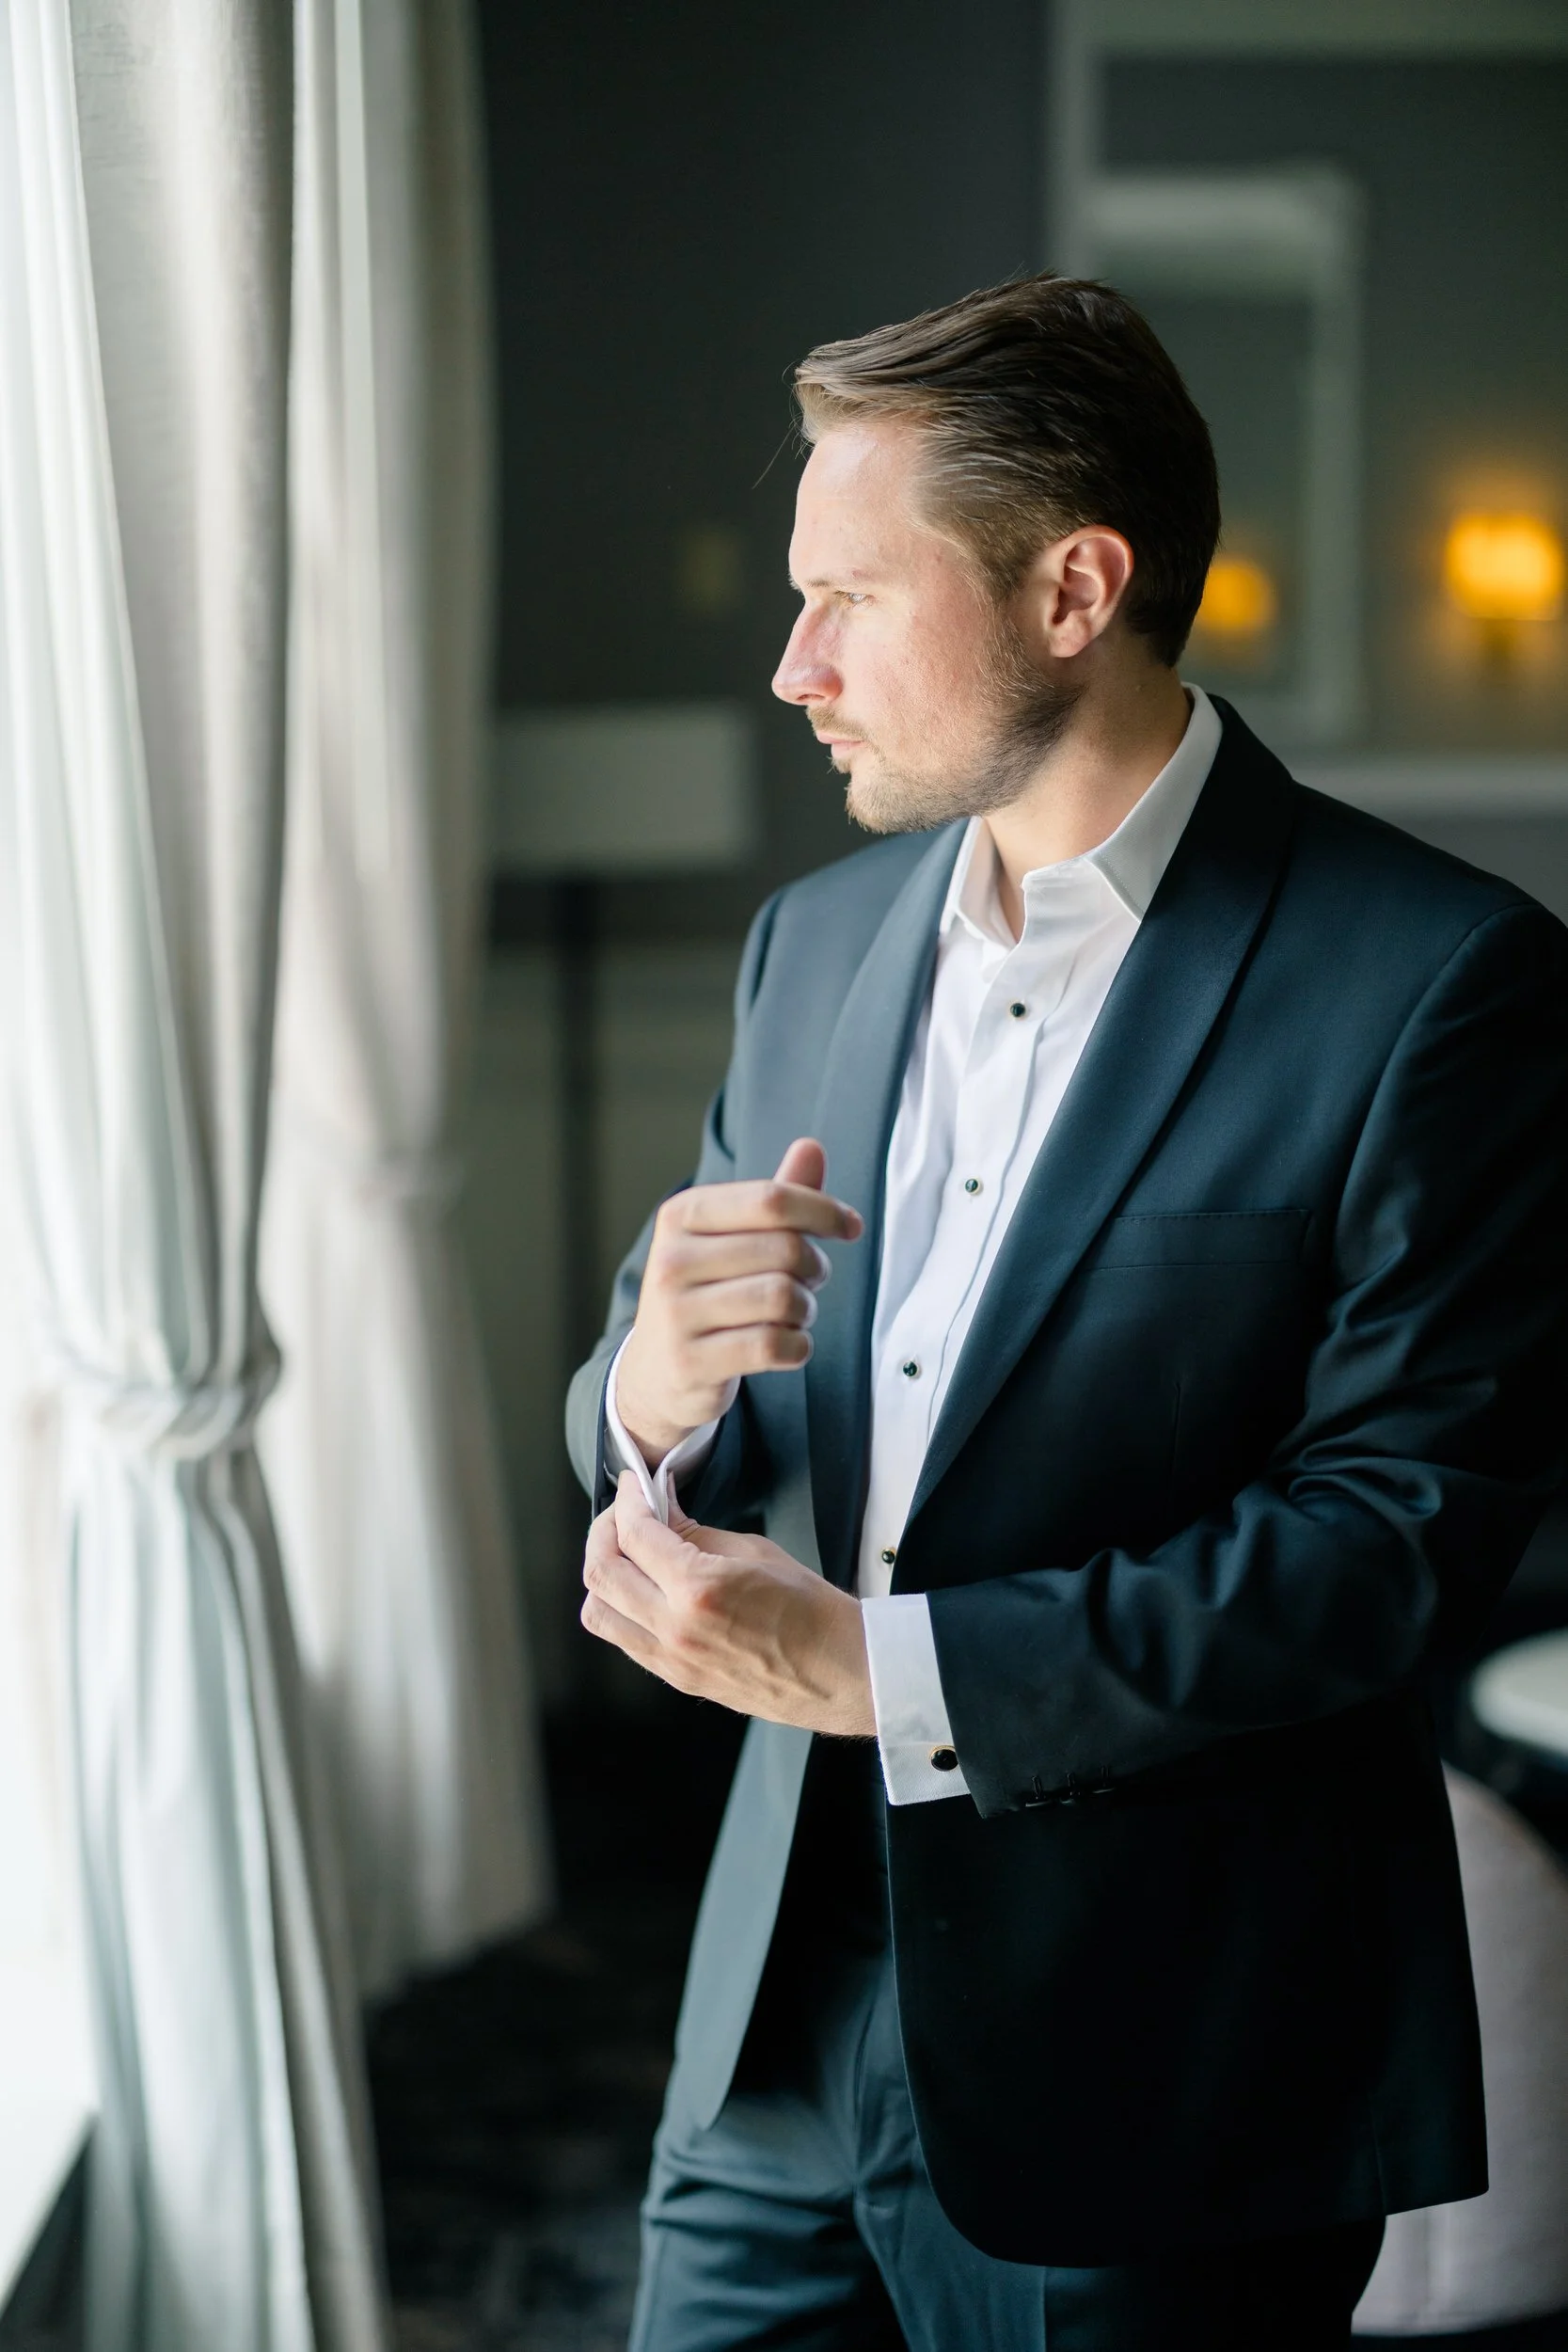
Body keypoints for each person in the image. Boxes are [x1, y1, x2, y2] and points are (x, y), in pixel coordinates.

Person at [566, 273, 1568, 2351]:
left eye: (847, 594)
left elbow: (1394, 1538)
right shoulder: (808, 944)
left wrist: (888, 1670)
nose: (789, 663)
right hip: (772, 2013)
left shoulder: (1437, 978)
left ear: (1070, 587)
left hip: (1158, 2055)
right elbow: (702, 1414)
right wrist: (645, 1390)